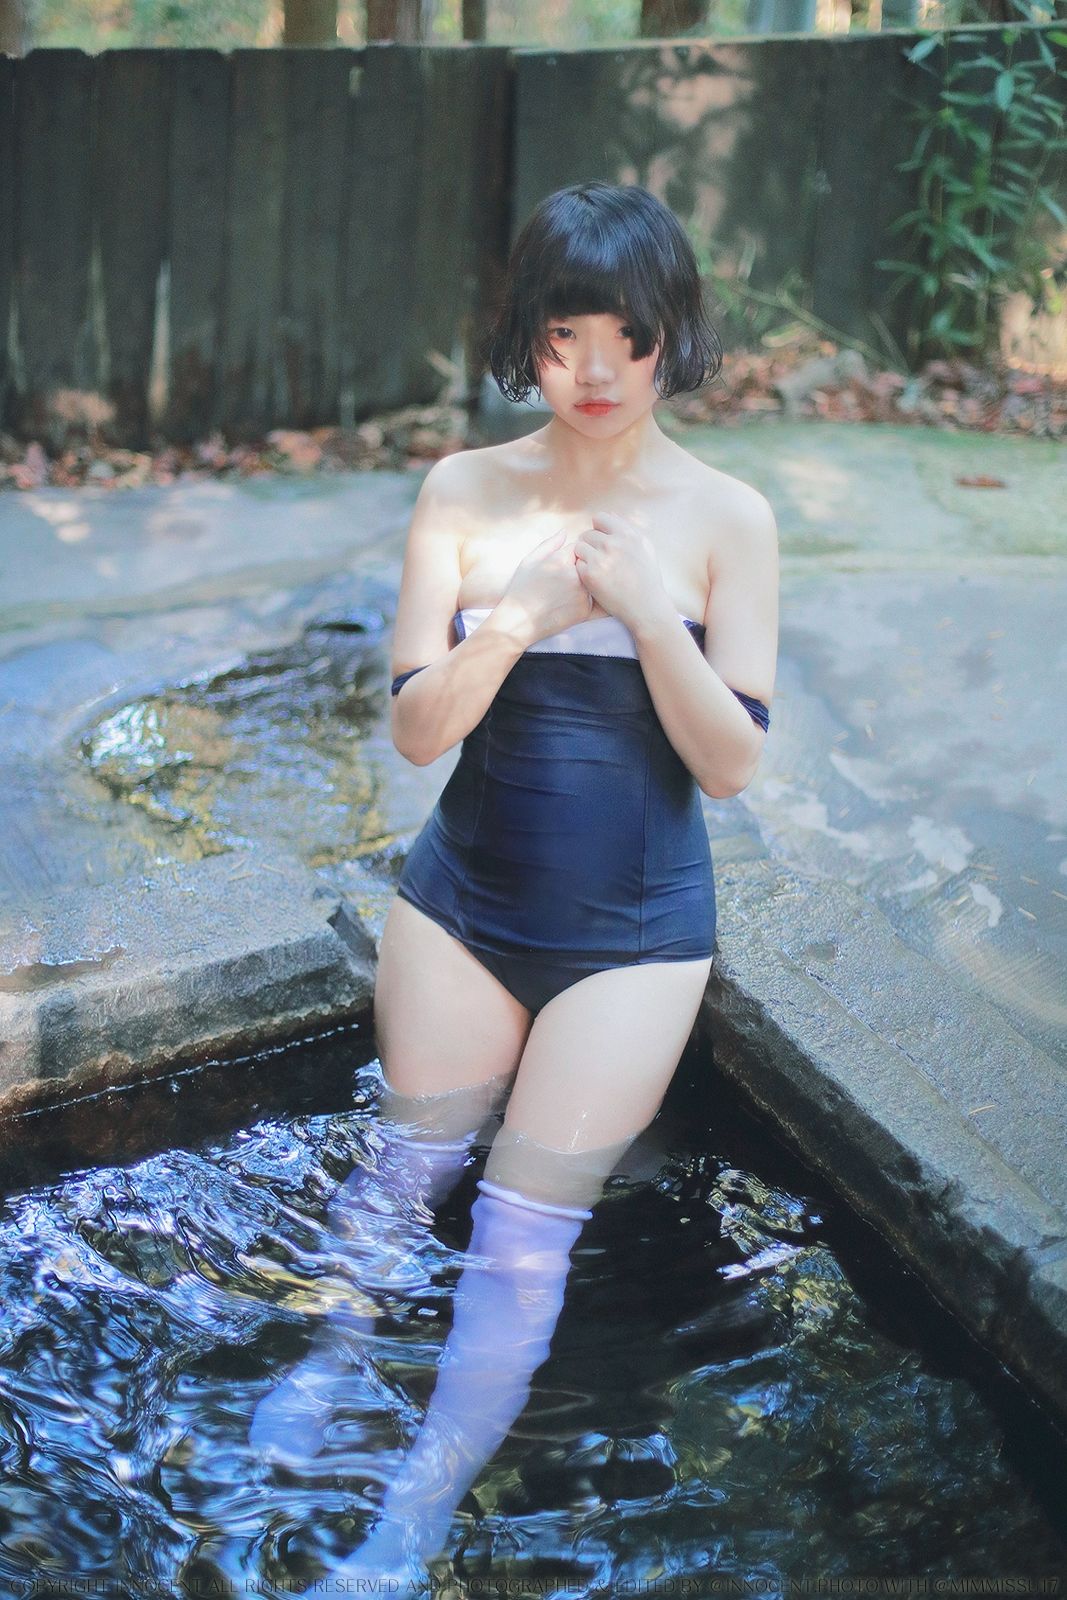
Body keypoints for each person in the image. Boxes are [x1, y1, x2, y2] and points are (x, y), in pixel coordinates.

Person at [255, 180, 778, 1591]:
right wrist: (524, 620)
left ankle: (423, 1503)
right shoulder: (465, 490)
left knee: (522, 1230)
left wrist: (652, 617)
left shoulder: (729, 517)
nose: (597, 371)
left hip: (636, 935)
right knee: (399, 1175)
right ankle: (324, 1368)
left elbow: (731, 763)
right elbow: (418, 732)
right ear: (525, 341)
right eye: (564, 337)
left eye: (628, 336)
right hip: (462, 909)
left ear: (673, 337)